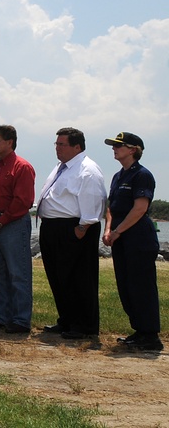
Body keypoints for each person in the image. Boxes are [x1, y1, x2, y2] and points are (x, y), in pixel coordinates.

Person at [37, 127, 105, 339]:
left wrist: (81, 228)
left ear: (77, 146)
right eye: (56, 144)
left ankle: (84, 325)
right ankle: (66, 319)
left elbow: (93, 202)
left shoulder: (87, 169)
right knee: (59, 277)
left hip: (75, 228)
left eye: (61, 144)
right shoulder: (62, 167)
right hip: (53, 227)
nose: (57, 148)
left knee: (79, 278)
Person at [102, 132, 162, 351]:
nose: (114, 149)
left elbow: (140, 209)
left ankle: (150, 335)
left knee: (141, 285)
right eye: (114, 146)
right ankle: (139, 330)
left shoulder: (142, 175)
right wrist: (108, 229)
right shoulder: (119, 176)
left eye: (119, 146)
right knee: (126, 285)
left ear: (133, 149)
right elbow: (111, 207)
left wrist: (117, 231)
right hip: (120, 235)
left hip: (138, 237)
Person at [0, 125, 36, 334]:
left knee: (18, 272)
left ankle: (21, 319)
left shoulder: (22, 167)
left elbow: (23, 201)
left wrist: (1, 221)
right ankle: (3, 316)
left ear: (9, 142)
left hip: (13, 224)